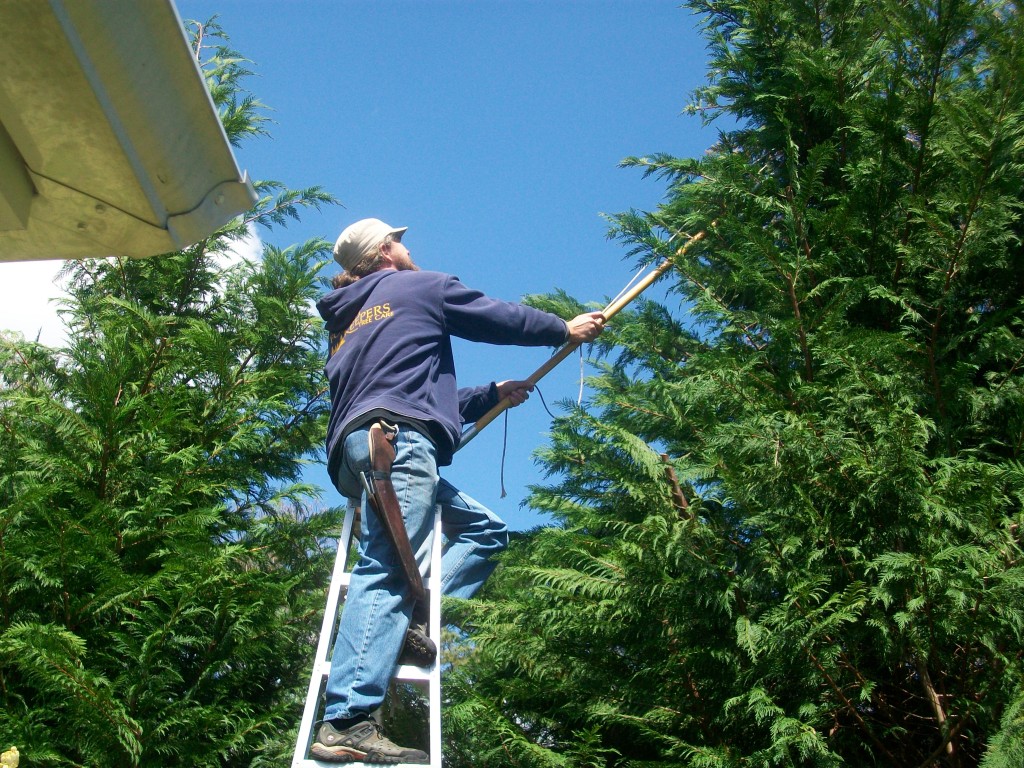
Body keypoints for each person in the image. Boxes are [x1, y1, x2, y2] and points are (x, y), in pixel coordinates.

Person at [310, 218, 605, 763]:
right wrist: (562, 329)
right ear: (385, 251)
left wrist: (490, 393)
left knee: (485, 531)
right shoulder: (420, 286)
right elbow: (495, 316)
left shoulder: (346, 320)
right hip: (399, 447)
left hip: (361, 450)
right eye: (398, 239)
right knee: (388, 566)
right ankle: (348, 718)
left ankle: (409, 621)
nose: (407, 245)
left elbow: (407, 387)